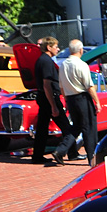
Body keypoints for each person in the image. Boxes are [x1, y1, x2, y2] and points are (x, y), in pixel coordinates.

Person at [32, 37, 79, 165]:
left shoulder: (41, 60)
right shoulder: (47, 62)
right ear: (49, 47)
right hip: (49, 97)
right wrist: (53, 105)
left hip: (43, 97)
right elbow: (47, 84)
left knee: (42, 128)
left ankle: (37, 156)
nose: (58, 49)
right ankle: (71, 153)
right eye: (56, 46)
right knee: (65, 126)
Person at [56, 39, 101, 166]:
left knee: (76, 127)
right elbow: (89, 86)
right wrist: (97, 102)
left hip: (70, 98)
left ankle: (61, 150)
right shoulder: (81, 65)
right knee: (89, 128)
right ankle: (92, 156)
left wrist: (66, 99)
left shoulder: (63, 64)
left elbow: (61, 87)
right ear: (81, 50)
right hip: (82, 98)